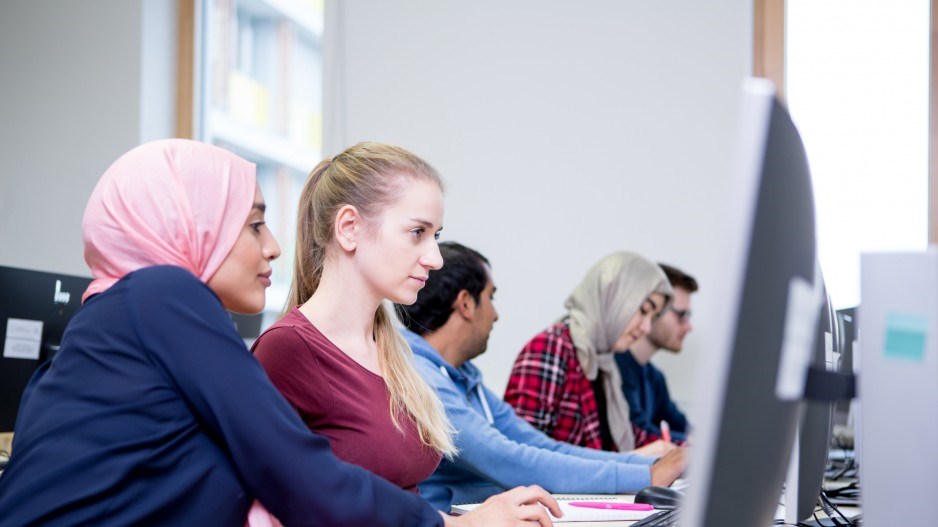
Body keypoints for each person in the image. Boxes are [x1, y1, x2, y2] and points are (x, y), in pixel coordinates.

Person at [0, 139, 558, 527]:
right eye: (252, 224)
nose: (271, 246)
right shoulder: (161, 295)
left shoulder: (109, 320)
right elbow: (297, 473)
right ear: (189, 227)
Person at [398, 242, 687, 511]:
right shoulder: (422, 377)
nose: (496, 314)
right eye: (491, 297)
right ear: (465, 304)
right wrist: (645, 473)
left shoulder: (464, 377)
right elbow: (508, 460)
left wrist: (651, 466)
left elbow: (540, 445)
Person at [504, 252, 673, 453]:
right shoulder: (550, 349)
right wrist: (626, 463)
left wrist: (680, 452)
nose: (646, 327)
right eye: (644, 310)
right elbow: (525, 455)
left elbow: (628, 435)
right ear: (614, 297)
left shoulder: (604, 361)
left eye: (653, 318)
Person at [615, 264, 697, 447]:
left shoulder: (654, 378)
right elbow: (636, 434)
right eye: (682, 315)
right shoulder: (614, 367)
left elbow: (683, 427)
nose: (689, 327)